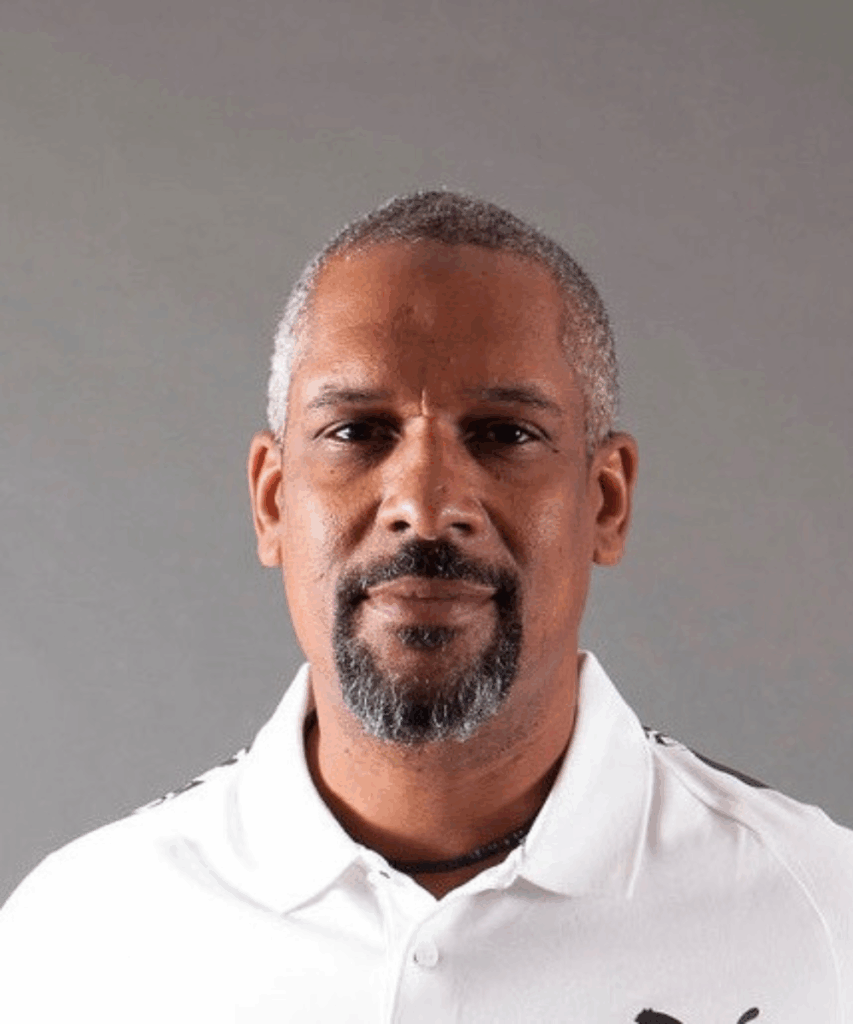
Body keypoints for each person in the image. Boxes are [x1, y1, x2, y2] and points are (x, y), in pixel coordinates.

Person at [1, 192, 851, 1022]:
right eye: (356, 432)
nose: (426, 503)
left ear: (605, 501)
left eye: (505, 433)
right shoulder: (75, 937)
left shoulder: (822, 919)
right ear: (271, 501)